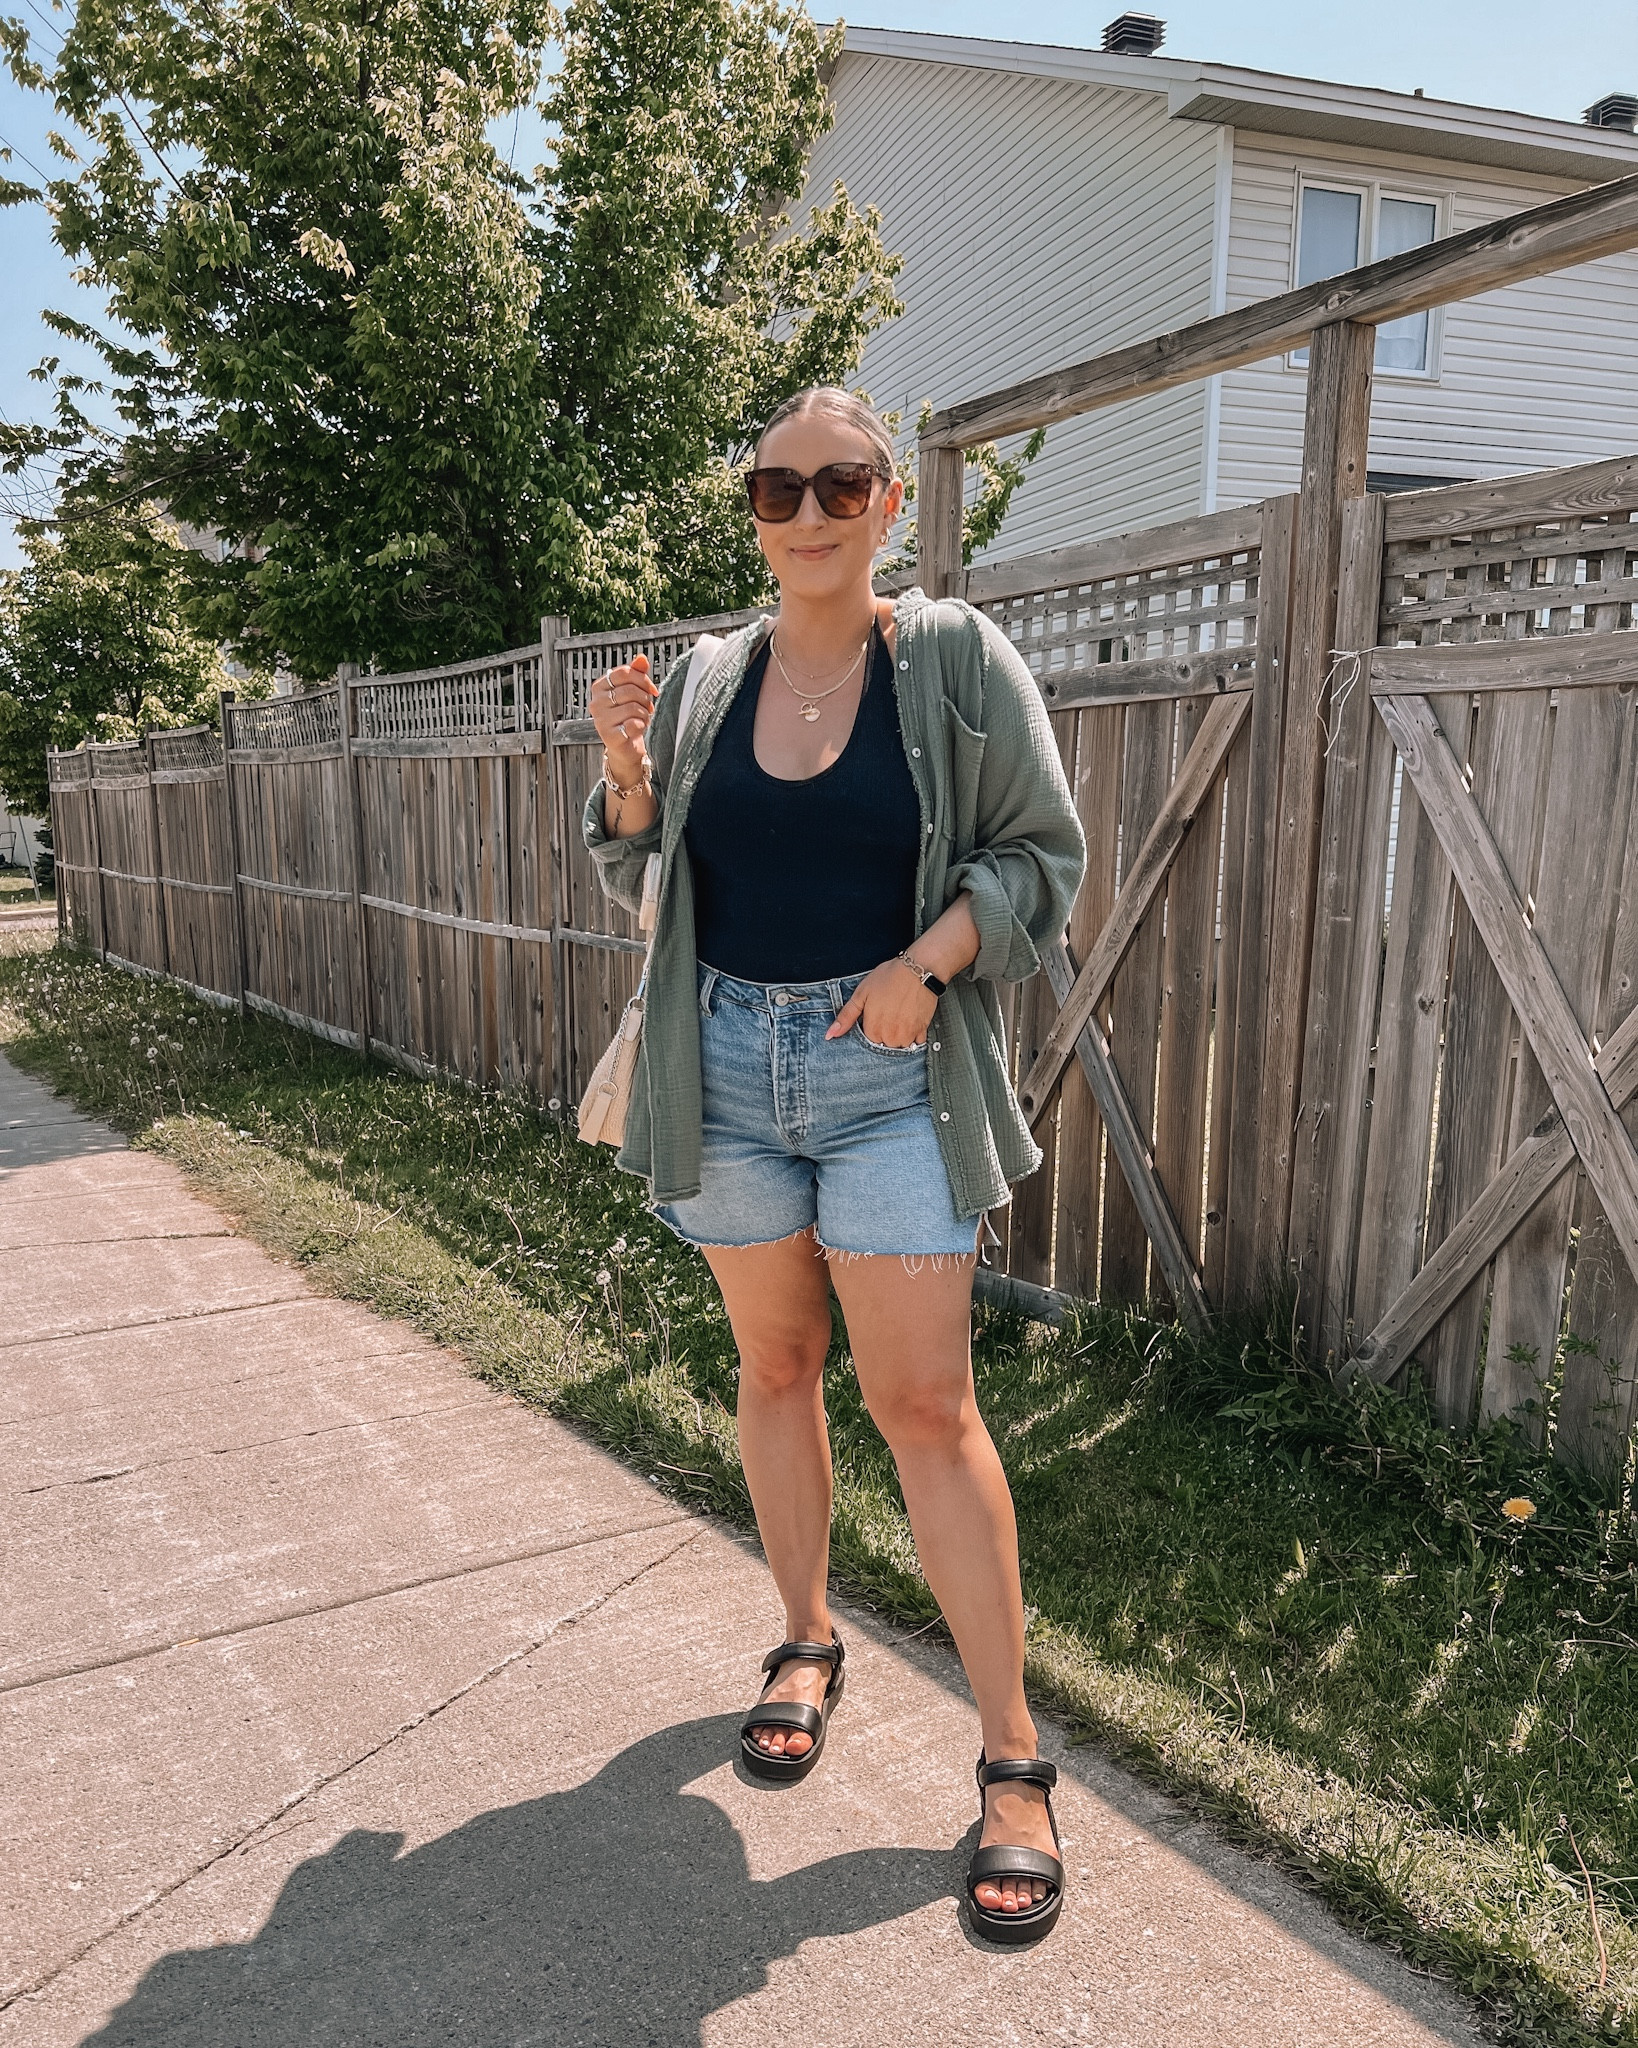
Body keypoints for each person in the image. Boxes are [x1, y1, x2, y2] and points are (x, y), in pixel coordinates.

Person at [583, 385, 1085, 1944]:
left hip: (889, 1080)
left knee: (925, 1406)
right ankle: (803, 1638)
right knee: (777, 1367)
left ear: (887, 503)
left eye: (839, 482)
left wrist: (926, 965)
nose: (806, 512)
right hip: (722, 1069)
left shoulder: (948, 659)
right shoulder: (711, 680)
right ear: (751, 508)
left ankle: (1011, 1757)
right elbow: (640, 873)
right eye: (775, 487)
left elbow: (1039, 860)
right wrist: (623, 774)